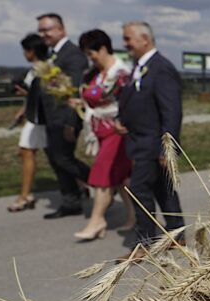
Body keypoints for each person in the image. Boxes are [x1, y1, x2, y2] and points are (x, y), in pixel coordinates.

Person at [117, 21, 185, 260]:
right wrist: (123, 119)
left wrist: (168, 147)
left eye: (128, 39)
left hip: (153, 141)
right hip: (139, 138)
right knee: (161, 187)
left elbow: (171, 111)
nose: (124, 44)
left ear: (144, 39)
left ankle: (144, 244)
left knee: (138, 189)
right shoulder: (140, 66)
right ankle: (177, 233)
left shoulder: (161, 68)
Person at [68, 29, 135, 240]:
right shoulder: (97, 73)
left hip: (117, 132)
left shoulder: (120, 73)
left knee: (101, 175)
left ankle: (97, 220)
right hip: (101, 132)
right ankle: (137, 216)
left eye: (91, 53)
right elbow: (95, 98)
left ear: (103, 48)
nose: (90, 58)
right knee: (121, 179)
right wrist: (81, 103)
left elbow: (122, 102)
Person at [36, 13, 90, 219]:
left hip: (65, 117)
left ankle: (103, 182)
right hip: (50, 117)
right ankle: (71, 201)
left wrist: (71, 122)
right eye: (41, 30)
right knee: (55, 159)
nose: (43, 34)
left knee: (63, 158)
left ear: (61, 30)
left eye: (47, 29)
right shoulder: (52, 55)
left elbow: (75, 91)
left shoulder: (73, 55)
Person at [8, 34, 51, 212]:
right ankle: (81, 185)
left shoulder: (41, 70)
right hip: (35, 118)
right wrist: (22, 111)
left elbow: (43, 97)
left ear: (31, 51)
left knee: (27, 151)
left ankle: (25, 196)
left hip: (39, 121)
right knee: (55, 156)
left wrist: (26, 96)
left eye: (25, 50)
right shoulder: (38, 69)